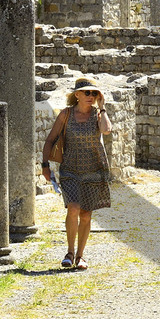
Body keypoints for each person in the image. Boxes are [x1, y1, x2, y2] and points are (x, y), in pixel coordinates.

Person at [42, 82, 113, 270]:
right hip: (70, 169)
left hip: (94, 169)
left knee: (86, 214)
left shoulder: (98, 115)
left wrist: (103, 107)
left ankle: (81, 256)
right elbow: (50, 140)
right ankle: (70, 252)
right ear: (77, 95)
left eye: (94, 93)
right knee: (73, 208)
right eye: (86, 92)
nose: (91, 96)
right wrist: (45, 165)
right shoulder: (66, 114)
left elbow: (106, 130)